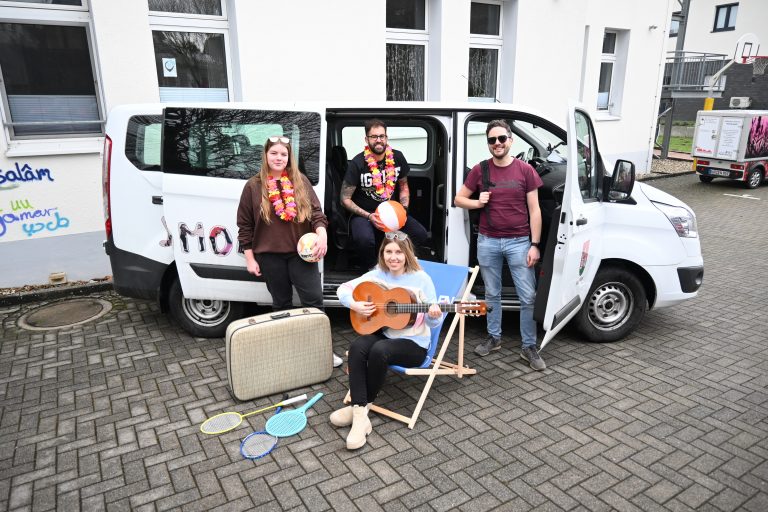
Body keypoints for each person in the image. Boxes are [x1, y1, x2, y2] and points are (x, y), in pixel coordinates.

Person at [237, 135, 342, 368]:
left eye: (283, 154)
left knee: (313, 302)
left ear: (289, 158)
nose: (278, 158)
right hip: (269, 256)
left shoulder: (300, 180)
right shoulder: (253, 186)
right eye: (274, 153)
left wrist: (322, 235)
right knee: (281, 304)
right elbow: (244, 226)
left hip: (301, 255)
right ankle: (286, 352)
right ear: (265, 155)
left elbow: (317, 214)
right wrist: (250, 259)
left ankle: (322, 352)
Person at [331, 232, 442, 449]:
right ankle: (360, 414)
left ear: (407, 254)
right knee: (357, 347)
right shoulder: (377, 274)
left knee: (379, 350)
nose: (394, 257)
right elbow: (343, 289)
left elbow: (432, 323)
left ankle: (359, 411)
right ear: (383, 253)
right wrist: (355, 305)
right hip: (387, 332)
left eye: (399, 252)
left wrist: (433, 315)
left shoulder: (422, 279)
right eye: (389, 251)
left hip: (414, 344)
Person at [454, 120, 546, 371]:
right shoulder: (479, 170)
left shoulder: (526, 171)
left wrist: (534, 244)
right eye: (492, 140)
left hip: (519, 242)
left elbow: (535, 210)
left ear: (510, 140)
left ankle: (529, 346)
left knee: (527, 296)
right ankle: (494, 338)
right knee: (492, 293)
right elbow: (458, 199)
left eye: (501, 139)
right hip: (488, 241)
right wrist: (477, 202)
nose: (497, 144)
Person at [341, 119, 429, 269]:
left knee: (420, 234)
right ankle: (372, 269)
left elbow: (403, 185)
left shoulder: (397, 157)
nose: (379, 140)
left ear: (386, 138)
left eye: (382, 136)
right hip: (365, 215)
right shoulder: (357, 163)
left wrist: (404, 209)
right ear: (366, 139)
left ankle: (400, 265)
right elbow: (345, 199)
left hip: (392, 211)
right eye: (374, 137)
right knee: (364, 240)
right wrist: (369, 216)